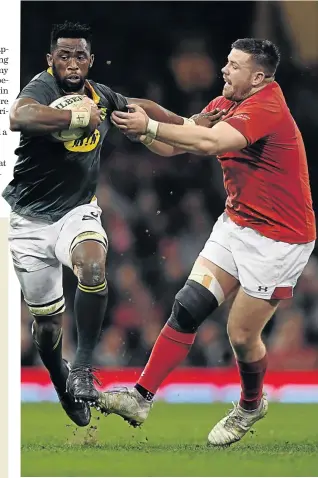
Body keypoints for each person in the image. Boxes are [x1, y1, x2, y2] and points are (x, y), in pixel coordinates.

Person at [97, 38, 316, 446]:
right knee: (189, 305)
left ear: (258, 77)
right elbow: (179, 138)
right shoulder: (224, 104)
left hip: (279, 239)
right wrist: (135, 122)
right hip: (236, 223)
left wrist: (151, 126)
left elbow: (213, 143)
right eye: (226, 63)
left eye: (233, 66)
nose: (224, 70)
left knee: (241, 337)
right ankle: (141, 397)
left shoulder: (267, 107)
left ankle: (251, 405)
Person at [5, 20, 222, 427]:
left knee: (92, 266)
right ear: (50, 60)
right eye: (64, 55)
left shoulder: (99, 96)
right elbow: (20, 116)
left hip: (77, 210)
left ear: (90, 60)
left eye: (80, 55)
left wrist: (186, 123)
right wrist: (71, 120)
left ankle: (84, 368)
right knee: (48, 327)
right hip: (30, 221)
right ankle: (59, 377)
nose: (72, 63)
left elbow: (142, 107)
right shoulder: (41, 89)